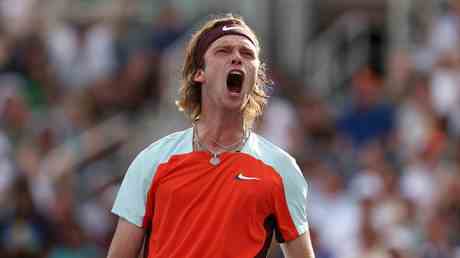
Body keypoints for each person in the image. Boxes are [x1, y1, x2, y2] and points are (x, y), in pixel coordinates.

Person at [107, 14, 315, 258]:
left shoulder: (281, 169)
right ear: (199, 73)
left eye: (247, 54)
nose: (237, 57)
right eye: (223, 51)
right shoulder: (152, 161)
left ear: (255, 76)